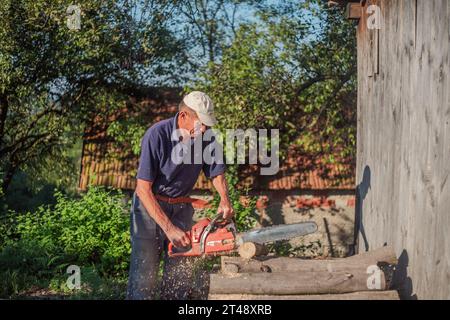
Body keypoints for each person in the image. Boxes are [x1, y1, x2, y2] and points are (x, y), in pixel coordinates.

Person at [127, 91, 234, 300]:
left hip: (181, 209)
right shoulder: (157, 135)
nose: (203, 129)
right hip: (149, 207)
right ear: (183, 116)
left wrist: (224, 200)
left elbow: (217, 173)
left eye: (207, 125)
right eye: (200, 123)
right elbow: (142, 188)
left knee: (179, 278)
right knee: (144, 276)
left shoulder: (206, 137)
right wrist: (169, 229)